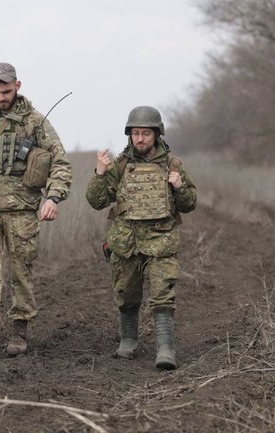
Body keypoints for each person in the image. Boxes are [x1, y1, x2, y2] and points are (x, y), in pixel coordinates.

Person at [0, 62, 72, 361]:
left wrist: (53, 197)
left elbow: (60, 162)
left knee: (21, 270)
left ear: (17, 86)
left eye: (6, 91)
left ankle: (20, 330)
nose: (1, 97)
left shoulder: (35, 121)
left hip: (22, 208)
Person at [85, 106, 196, 369]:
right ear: (129, 135)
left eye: (146, 133)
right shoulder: (121, 165)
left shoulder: (173, 165)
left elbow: (190, 203)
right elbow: (96, 201)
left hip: (162, 241)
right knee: (126, 293)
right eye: (135, 133)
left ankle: (166, 349)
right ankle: (128, 341)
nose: (140, 139)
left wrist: (179, 187)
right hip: (127, 242)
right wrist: (100, 172)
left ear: (157, 134)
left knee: (163, 295)